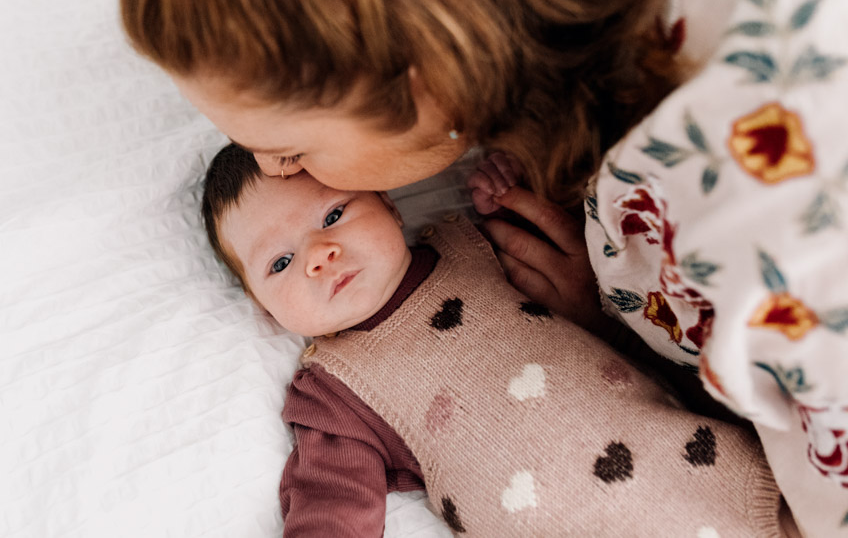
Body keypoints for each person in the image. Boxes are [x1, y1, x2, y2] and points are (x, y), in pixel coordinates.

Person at [121, 0, 848, 534]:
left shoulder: (745, 166)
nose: (273, 168)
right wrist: (601, 317)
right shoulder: (340, 387)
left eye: (293, 150)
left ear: (418, 79)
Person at [201, 143, 787, 537]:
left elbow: (592, 275)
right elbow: (333, 503)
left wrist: (509, 192)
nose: (318, 257)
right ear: (263, 307)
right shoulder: (336, 393)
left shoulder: (474, 247)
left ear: (385, 202)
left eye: (332, 217)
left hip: (722, 474)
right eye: (280, 263)